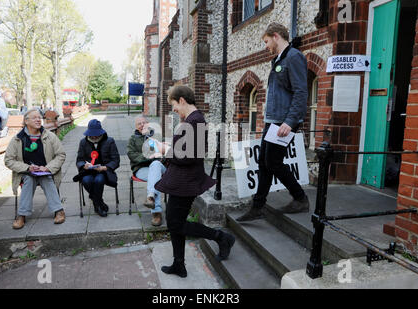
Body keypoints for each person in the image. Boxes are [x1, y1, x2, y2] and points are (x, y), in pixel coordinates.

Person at [155, 85, 235, 278]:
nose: (174, 110)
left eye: (174, 105)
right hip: (181, 180)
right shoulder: (190, 120)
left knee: (175, 223)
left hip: (186, 181)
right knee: (175, 222)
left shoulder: (196, 121)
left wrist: (167, 151)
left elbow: (192, 157)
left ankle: (222, 237)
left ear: (182, 100)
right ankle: (179, 264)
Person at [237, 23, 309, 222]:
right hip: (273, 120)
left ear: (276, 36)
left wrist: (290, 121)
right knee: (264, 162)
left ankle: (300, 198)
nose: (266, 46)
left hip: (284, 121)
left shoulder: (294, 57)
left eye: (267, 41)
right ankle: (258, 206)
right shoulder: (279, 59)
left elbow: (301, 92)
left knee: (273, 162)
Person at [4, 109, 66, 229]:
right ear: (26, 121)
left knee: (46, 179)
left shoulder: (50, 136)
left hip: (45, 171)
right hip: (27, 172)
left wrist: (47, 168)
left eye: (39, 117)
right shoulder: (18, 139)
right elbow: (8, 160)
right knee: (29, 180)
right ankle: (22, 215)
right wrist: (27, 167)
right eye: (34, 118)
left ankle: (59, 211)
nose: (39, 120)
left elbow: (61, 155)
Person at [74, 119, 120, 217]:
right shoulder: (83, 142)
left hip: (104, 172)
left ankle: (97, 205)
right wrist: (83, 165)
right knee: (86, 181)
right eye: (92, 135)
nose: (94, 137)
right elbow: (79, 160)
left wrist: (105, 167)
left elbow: (116, 160)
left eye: (96, 134)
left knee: (99, 180)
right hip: (88, 172)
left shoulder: (109, 141)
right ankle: (99, 202)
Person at [127, 116, 166, 226]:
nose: (142, 125)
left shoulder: (156, 136)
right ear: (136, 127)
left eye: (144, 122)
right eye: (139, 123)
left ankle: (150, 197)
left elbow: (164, 153)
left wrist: (158, 154)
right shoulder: (133, 139)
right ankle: (156, 212)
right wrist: (147, 156)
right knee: (155, 179)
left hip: (158, 166)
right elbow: (132, 155)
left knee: (156, 164)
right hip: (141, 169)